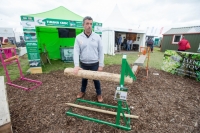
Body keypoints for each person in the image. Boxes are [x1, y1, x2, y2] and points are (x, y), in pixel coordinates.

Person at [73, 16, 104, 102]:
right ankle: (82, 91)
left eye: (91, 24)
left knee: (96, 80)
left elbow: (101, 51)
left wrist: (101, 65)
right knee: (84, 79)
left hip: (94, 64)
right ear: (83, 25)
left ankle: (99, 94)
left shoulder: (97, 37)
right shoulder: (78, 37)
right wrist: (76, 65)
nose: (89, 26)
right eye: (87, 23)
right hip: (83, 64)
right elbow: (76, 51)